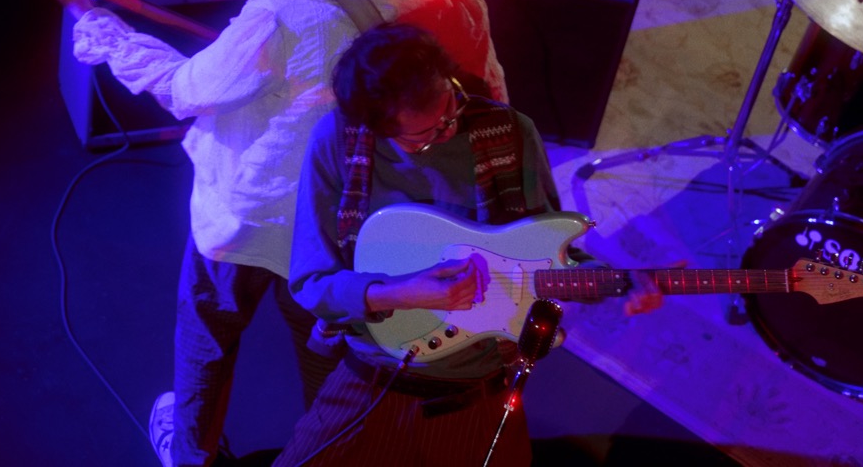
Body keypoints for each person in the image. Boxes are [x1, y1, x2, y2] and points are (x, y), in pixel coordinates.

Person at [35, 0, 507, 466]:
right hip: (350, 234)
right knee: (328, 361)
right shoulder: (460, 5)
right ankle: (331, 450)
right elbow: (488, 107)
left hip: (253, 220)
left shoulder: (289, 7)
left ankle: (193, 454)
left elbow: (183, 89)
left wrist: (84, 10)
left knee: (209, 336)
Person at [276, 23, 664, 466]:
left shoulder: (509, 132)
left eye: (450, 106)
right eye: (422, 134)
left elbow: (552, 255)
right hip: (372, 376)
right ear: (375, 128)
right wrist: (401, 293)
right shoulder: (337, 143)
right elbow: (311, 283)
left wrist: (614, 283)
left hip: (477, 388)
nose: (446, 130)